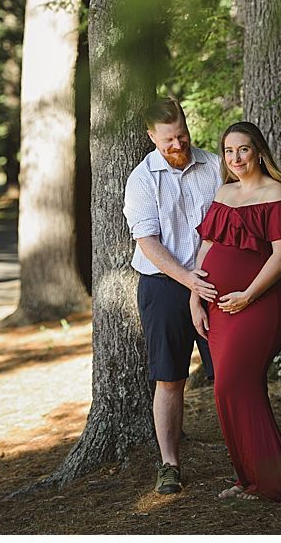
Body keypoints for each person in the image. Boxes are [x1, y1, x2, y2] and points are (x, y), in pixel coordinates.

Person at [189, 121, 281, 503]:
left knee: (234, 384)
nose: (235, 158)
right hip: (219, 307)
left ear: (258, 151)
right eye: (229, 152)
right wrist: (195, 296)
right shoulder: (224, 192)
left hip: (260, 306)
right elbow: (206, 248)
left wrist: (247, 295)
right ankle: (248, 477)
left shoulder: (275, 192)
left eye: (243, 150)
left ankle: (274, 482)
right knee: (226, 390)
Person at [123, 97, 222, 494]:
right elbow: (148, 242)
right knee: (169, 379)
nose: (178, 145)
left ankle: (246, 454)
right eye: (168, 141)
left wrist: (202, 285)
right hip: (162, 284)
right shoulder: (141, 179)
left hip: (214, 280)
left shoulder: (215, 165)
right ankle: (169, 465)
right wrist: (187, 281)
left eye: (181, 135)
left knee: (230, 374)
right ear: (151, 137)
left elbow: (225, 226)